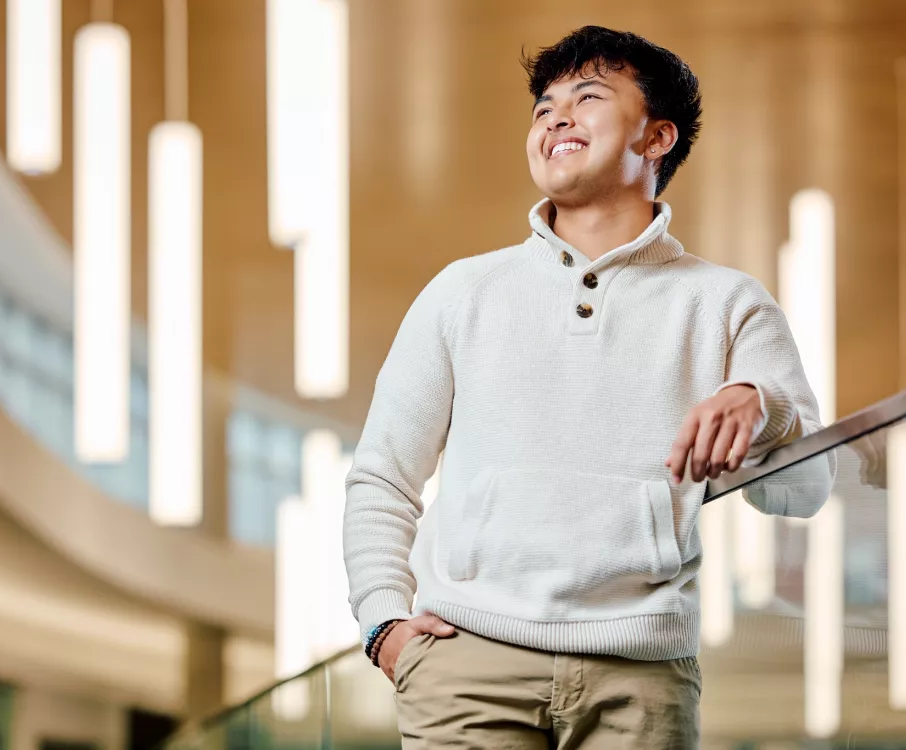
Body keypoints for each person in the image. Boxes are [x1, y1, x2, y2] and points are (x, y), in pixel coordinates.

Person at [343, 24, 835, 750]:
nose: (555, 117)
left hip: (643, 676)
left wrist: (762, 406)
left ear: (657, 137)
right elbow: (382, 476)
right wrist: (384, 625)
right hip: (466, 666)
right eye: (544, 107)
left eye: (587, 96)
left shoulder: (729, 303)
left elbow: (809, 490)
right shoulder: (463, 292)